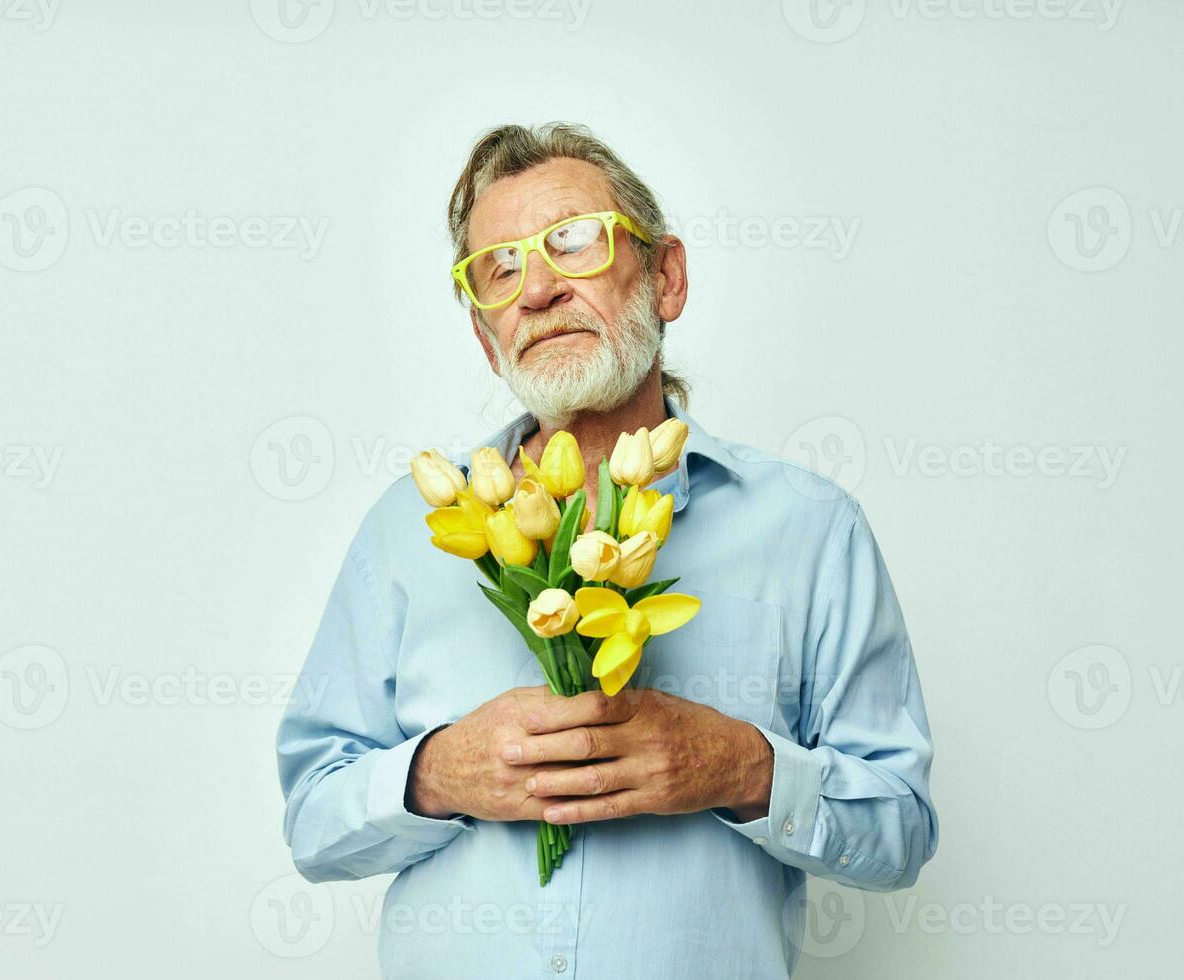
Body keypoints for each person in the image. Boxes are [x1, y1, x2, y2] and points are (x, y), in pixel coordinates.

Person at [276, 122, 938, 978]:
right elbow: (312, 820)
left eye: (574, 243)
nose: (539, 289)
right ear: (487, 335)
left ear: (665, 278)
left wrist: (736, 765)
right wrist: (437, 773)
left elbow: (901, 831)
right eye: (500, 270)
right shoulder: (408, 530)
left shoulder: (811, 528)